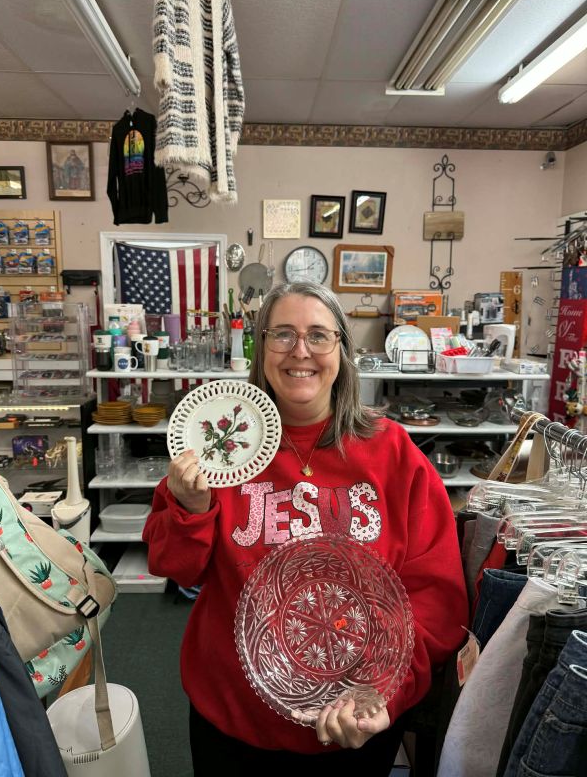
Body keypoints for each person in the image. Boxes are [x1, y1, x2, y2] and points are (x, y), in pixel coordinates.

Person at [143, 281, 468, 775]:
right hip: (233, 716)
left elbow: (435, 598)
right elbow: (175, 568)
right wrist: (189, 509)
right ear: (261, 348)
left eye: (319, 335)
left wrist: (384, 689)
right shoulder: (218, 449)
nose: (300, 352)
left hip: (351, 724)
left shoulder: (392, 453)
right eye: (282, 335)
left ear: (342, 349)